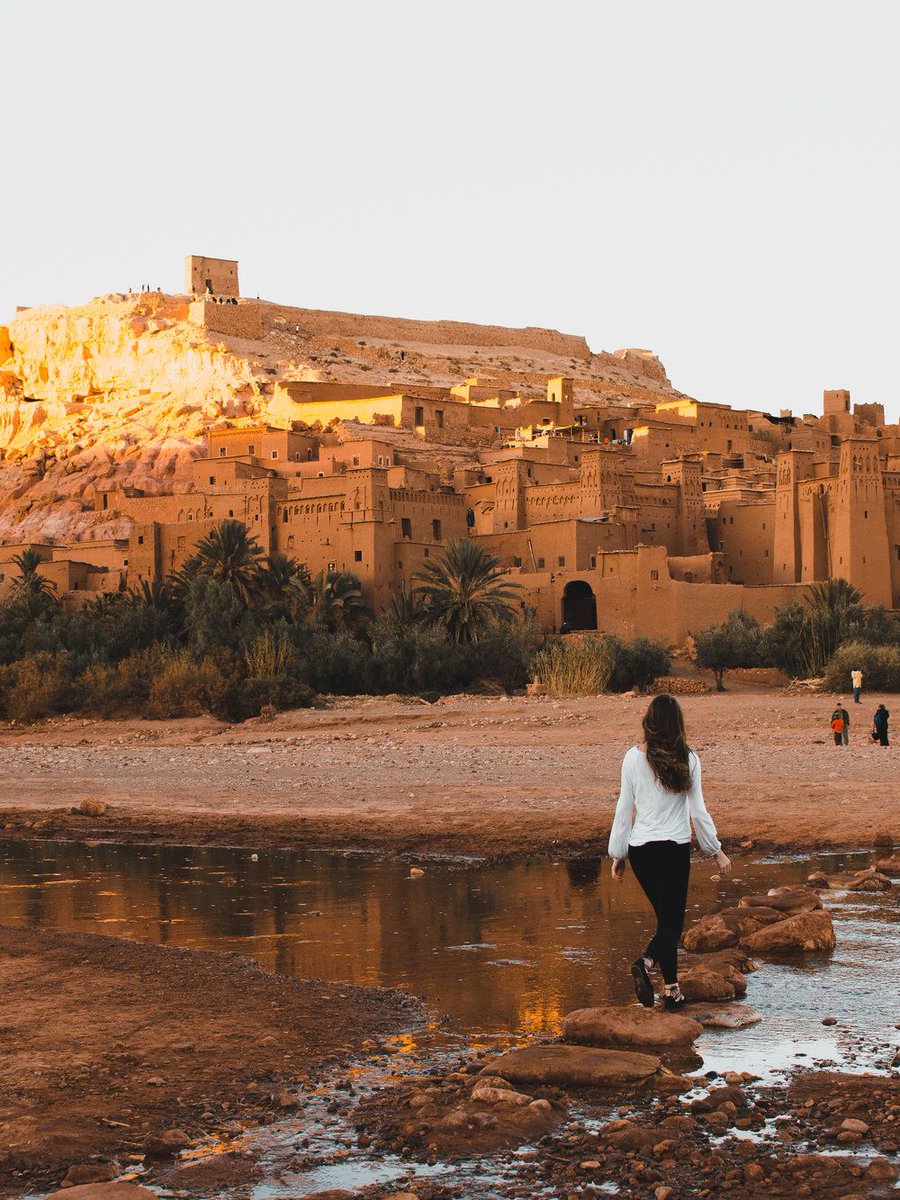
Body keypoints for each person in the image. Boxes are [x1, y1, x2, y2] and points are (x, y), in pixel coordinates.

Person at [608, 694, 731, 1011]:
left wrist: (618, 854)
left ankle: (672, 990)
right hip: (673, 849)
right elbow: (698, 812)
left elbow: (624, 808)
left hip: (642, 852)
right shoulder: (689, 759)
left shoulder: (632, 758)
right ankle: (645, 962)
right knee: (672, 926)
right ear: (677, 724)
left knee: (666, 921)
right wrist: (715, 850)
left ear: (649, 721)